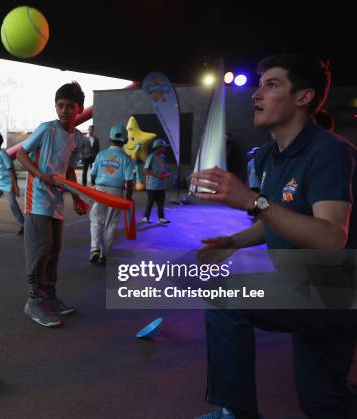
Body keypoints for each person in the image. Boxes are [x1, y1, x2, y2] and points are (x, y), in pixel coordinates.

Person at [191, 54, 356, 419]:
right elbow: (281, 219)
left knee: (224, 295)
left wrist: (253, 200)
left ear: (304, 97)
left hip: (335, 292)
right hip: (303, 287)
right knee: (323, 402)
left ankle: (235, 413)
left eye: (272, 84)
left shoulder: (330, 152)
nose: (256, 94)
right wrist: (233, 242)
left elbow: (331, 237)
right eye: (259, 84)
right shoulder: (267, 156)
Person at [16, 81, 87, 328]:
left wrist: (77, 197)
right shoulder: (46, 130)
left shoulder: (77, 138)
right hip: (37, 196)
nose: (64, 110)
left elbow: (69, 170)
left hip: (57, 199)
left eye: (70, 106)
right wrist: (40, 174)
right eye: (60, 105)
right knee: (41, 247)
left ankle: (49, 296)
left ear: (80, 109)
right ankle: (33, 300)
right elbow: (21, 155)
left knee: (55, 249)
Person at [89, 123, 134, 265]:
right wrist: (128, 198)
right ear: (126, 141)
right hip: (117, 193)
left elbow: (93, 175)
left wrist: (94, 188)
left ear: (109, 139)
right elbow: (129, 182)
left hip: (100, 190)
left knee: (96, 220)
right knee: (110, 224)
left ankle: (95, 248)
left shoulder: (101, 155)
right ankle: (104, 255)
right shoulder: (127, 159)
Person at [142, 139, 171, 224]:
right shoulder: (151, 157)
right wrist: (157, 175)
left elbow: (162, 169)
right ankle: (145, 217)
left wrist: (166, 174)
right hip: (152, 185)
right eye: (163, 147)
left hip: (161, 185)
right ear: (158, 147)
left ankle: (161, 218)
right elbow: (146, 170)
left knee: (161, 203)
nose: (164, 148)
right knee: (150, 202)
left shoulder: (163, 157)